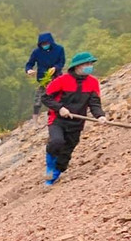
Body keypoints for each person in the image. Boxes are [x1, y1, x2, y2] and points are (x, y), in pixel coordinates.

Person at [40, 51, 108, 186]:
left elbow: (94, 103)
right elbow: (46, 98)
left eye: (91, 64)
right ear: (77, 66)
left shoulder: (93, 83)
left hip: (77, 122)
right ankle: (50, 166)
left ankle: (56, 173)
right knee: (56, 142)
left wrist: (100, 115)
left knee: (67, 150)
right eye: (87, 64)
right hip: (58, 120)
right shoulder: (61, 80)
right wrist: (60, 108)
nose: (90, 66)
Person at [25, 33, 65, 116]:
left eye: (46, 43)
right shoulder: (36, 52)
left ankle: (56, 113)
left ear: (50, 42)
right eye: (43, 44)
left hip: (56, 77)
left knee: (58, 96)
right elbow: (29, 64)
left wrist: (55, 68)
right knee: (39, 98)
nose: (45, 45)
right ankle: (35, 121)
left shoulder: (59, 49)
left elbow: (61, 62)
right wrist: (29, 70)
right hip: (43, 79)